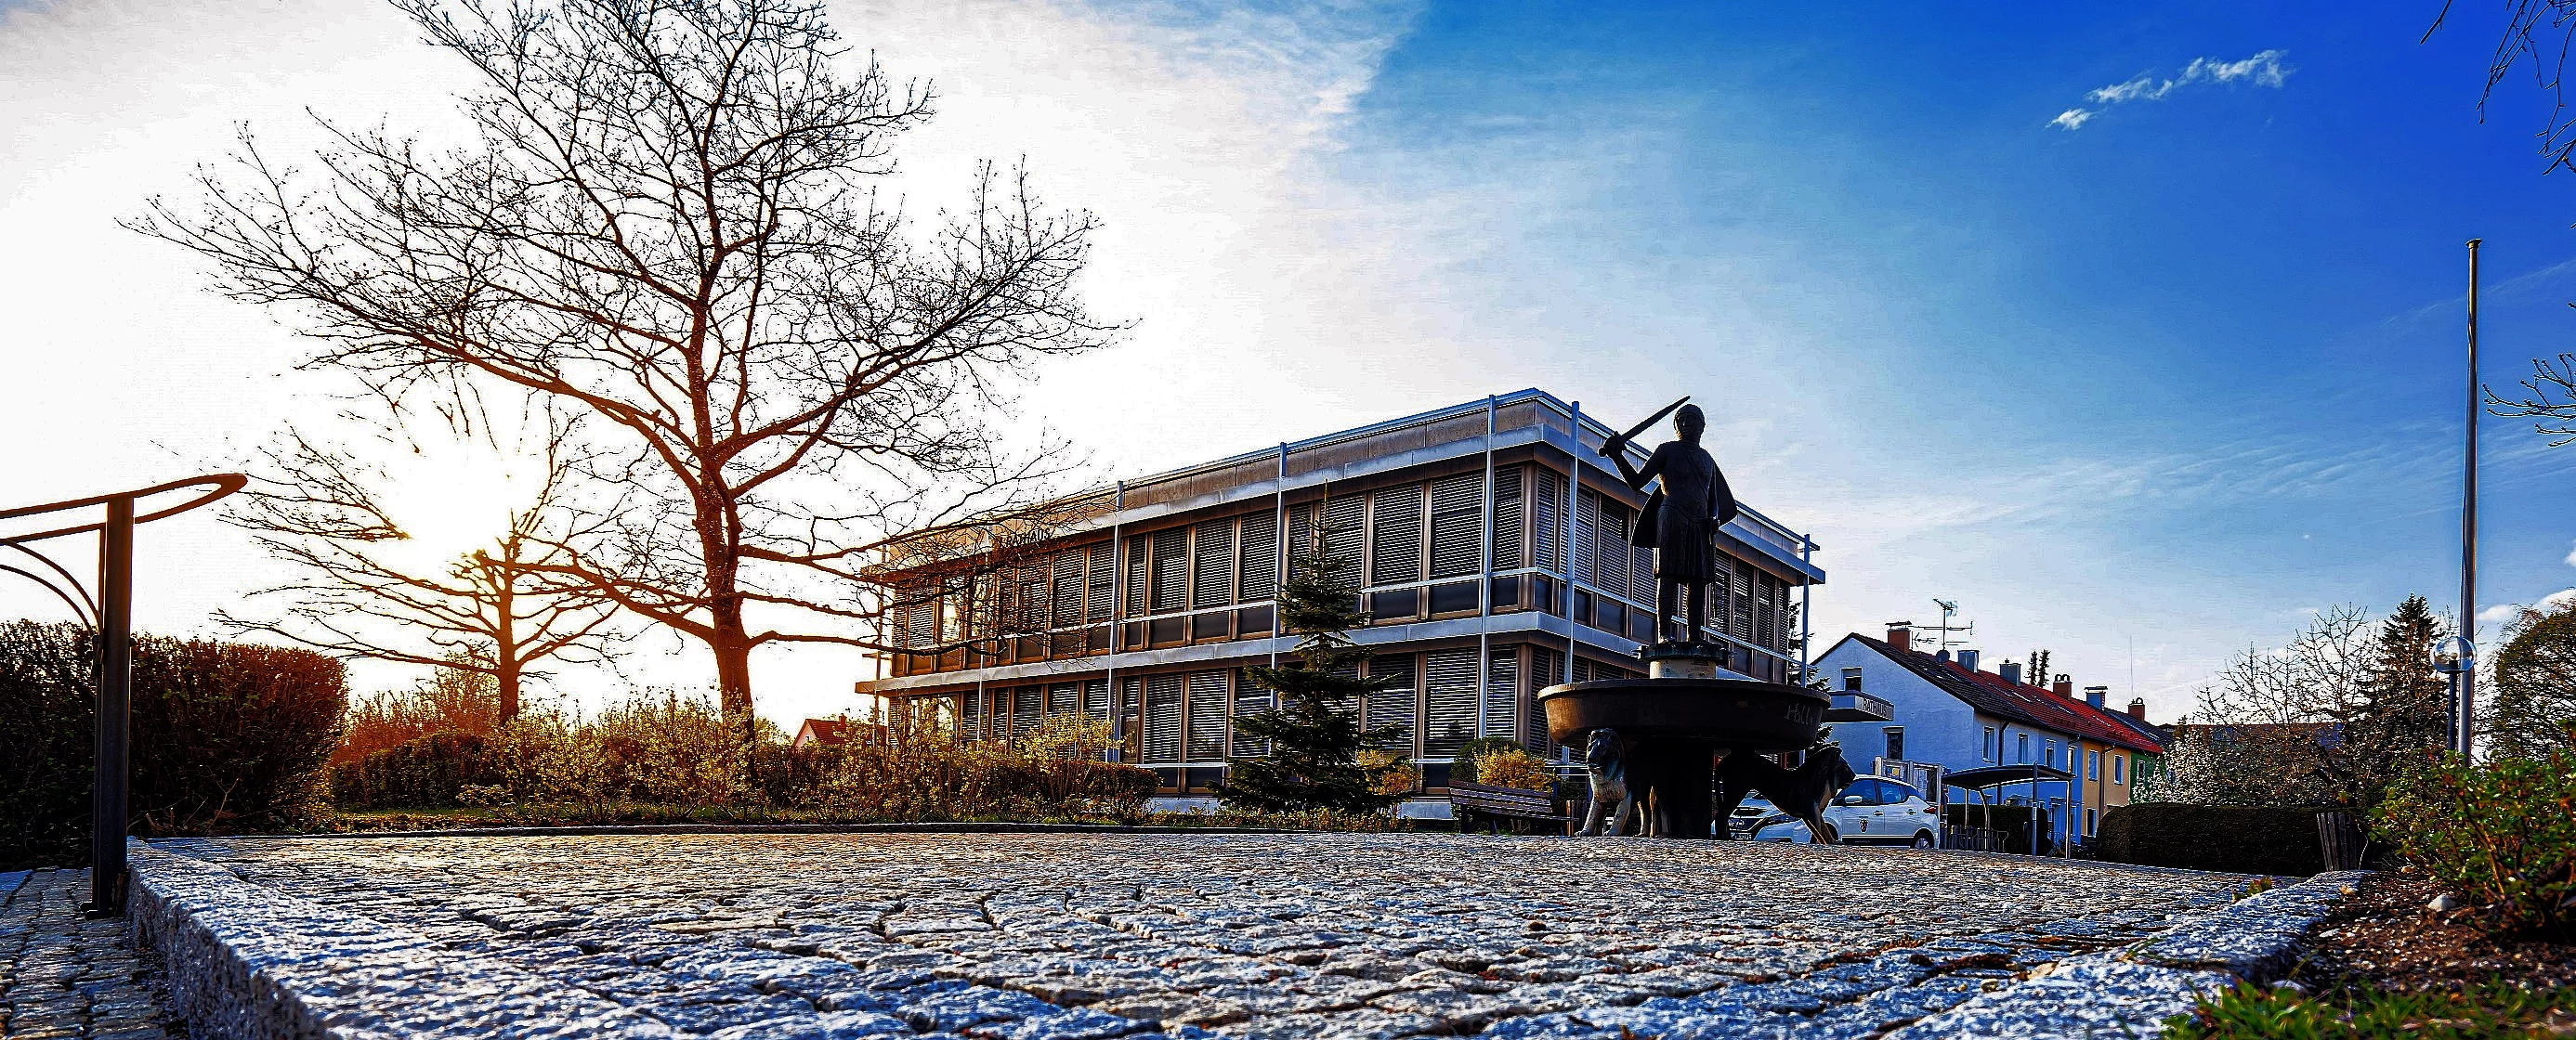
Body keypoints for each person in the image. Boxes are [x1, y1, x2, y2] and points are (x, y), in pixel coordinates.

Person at [1599, 403, 1736, 644]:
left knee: (1698, 580)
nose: (1685, 424)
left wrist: (1714, 518)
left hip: (1700, 524)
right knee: (1668, 576)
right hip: (1672, 518)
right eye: (1681, 420)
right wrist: (1617, 456)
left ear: (1702, 427)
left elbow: (1714, 497)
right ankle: (1665, 634)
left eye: (1691, 420)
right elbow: (1636, 481)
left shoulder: (1707, 460)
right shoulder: (1666, 451)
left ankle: (1695, 635)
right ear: (1675, 426)